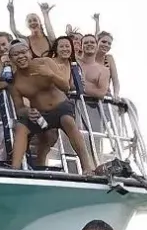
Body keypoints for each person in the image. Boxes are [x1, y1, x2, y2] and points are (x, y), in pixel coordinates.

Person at [7, 41, 94, 173]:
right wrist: (28, 111)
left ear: (30, 53)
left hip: (61, 108)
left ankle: (87, 167)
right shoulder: (14, 82)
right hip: (41, 115)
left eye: (23, 52)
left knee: (67, 120)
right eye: (15, 54)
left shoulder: (46, 62)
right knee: (21, 127)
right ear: (11, 59)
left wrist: (51, 75)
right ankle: (15, 169)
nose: (20, 56)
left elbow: (65, 87)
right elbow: (19, 109)